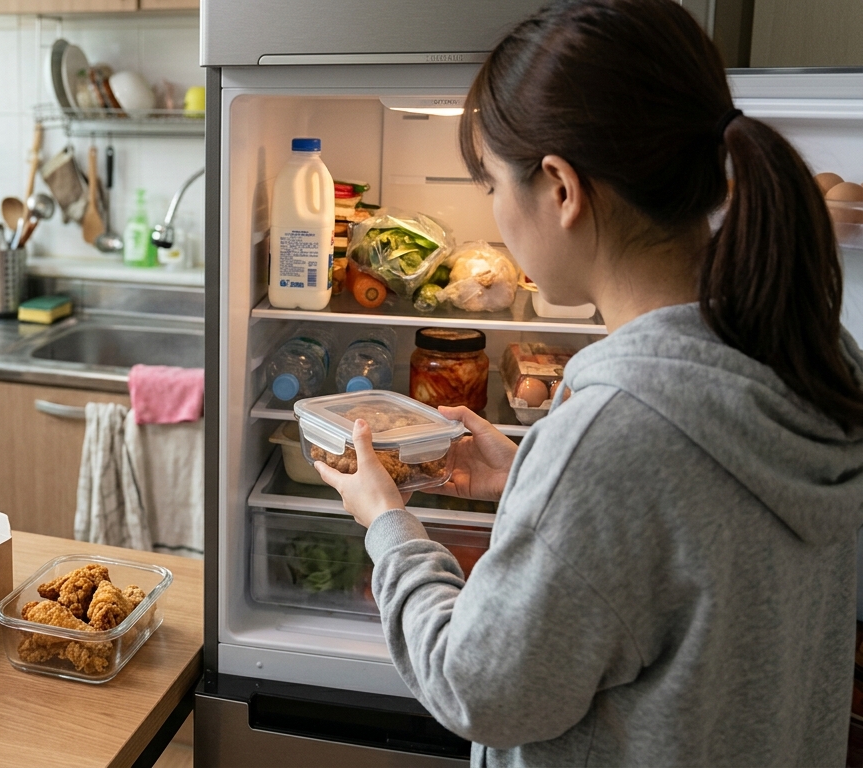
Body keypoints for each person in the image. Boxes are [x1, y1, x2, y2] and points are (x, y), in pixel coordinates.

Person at [313, 0, 863, 765]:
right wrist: (530, 484)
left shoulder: (610, 439)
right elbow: (690, 552)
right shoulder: (817, 351)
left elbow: (475, 687)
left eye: (494, 188)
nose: (497, 215)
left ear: (561, 189)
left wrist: (388, 524)